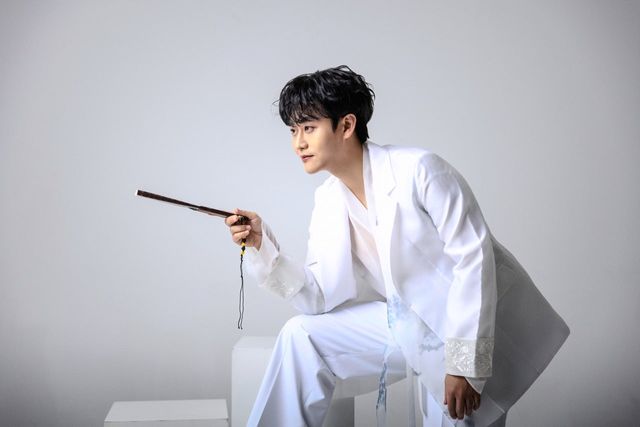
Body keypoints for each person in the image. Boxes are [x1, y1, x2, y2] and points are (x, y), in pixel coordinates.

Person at [224, 65, 569, 427]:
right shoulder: (328, 199)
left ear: (346, 125)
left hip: (466, 325)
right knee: (301, 336)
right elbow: (318, 296)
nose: (298, 143)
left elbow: (473, 260)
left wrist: (464, 366)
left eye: (309, 128)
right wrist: (262, 246)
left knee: (457, 416)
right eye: (293, 131)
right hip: (403, 321)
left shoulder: (420, 170)